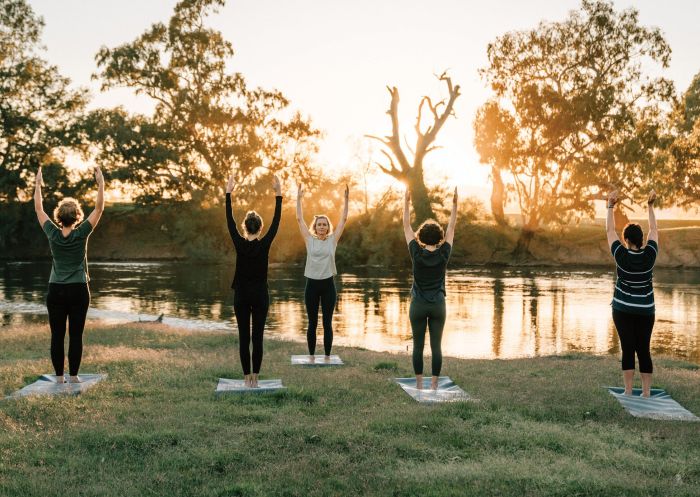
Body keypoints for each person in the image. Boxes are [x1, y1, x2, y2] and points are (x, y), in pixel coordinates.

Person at [34, 166, 105, 384]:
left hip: (56, 290)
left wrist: (37, 185)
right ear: (76, 216)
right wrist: (101, 183)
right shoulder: (82, 232)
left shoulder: (52, 233)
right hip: (78, 289)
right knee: (75, 335)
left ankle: (59, 378)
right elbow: (99, 209)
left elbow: (38, 209)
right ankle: (73, 377)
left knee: (57, 335)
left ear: (59, 217)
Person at [225, 173, 282, 387]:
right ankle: (255, 380)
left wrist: (228, 193)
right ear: (259, 228)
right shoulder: (264, 243)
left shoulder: (239, 243)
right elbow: (276, 222)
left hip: (241, 294)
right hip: (260, 295)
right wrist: (278, 195)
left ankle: (246, 378)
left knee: (244, 338)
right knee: (257, 338)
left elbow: (229, 220)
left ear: (244, 227)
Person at [403, 187, 458, 390]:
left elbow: (406, 225)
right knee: (436, 347)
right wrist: (454, 205)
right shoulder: (444, 253)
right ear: (440, 237)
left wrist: (406, 201)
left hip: (418, 305)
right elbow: (452, 228)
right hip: (438, 305)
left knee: (418, 346)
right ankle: (434, 386)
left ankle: (419, 385)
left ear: (420, 236)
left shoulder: (416, 252)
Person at [606, 189, 658, 398]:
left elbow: (609, 231)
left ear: (626, 239)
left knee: (628, 349)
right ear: (642, 239)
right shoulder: (650, 255)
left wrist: (610, 206)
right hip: (646, 311)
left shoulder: (621, 256)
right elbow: (654, 228)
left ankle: (628, 391)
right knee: (643, 349)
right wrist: (650, 205)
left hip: (622, 309)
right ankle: (645, 393)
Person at [295, 184, 349, 362]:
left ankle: (326, 357)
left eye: (325, 225)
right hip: (312, 285)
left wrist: (346, 200)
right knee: (312, 323)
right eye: (319, 224)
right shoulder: (309, 240)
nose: (322, 227)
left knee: (327, 323)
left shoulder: (333, 240)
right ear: (315, 227)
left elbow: (343, 220)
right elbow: (299, 219)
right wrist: (299, 198)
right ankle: (311, 356)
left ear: (328, 227)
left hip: (328, 286)